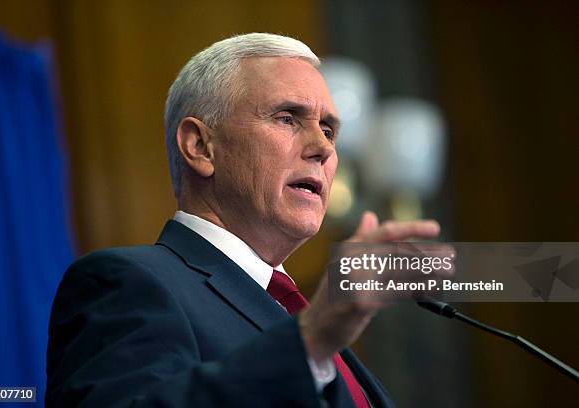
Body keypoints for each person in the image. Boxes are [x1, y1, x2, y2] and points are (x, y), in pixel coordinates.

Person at [45, 33, 440, 407]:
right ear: (200, 146)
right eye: (288, 117)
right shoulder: (127, 283)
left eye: (329, 130)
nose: (322, 148)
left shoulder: (305, 317)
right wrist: (310, 340)